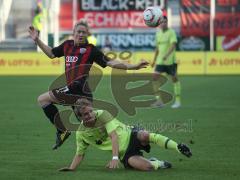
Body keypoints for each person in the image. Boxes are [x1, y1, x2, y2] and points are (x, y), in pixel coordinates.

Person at [28, 20, 149, 150]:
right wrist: (37, 40)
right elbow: (51, 53)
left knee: (44, 100)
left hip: (79, 89)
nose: (80, 34)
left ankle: (136, 135)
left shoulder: (91, 50)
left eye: (83, 32)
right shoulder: (67, 45)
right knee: (94, 127)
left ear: (87, 34)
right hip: (73, 91)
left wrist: (133, 67)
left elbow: (110, 63)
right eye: (78, 32)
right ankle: (135, 134)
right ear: (73, 33)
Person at [58, 98, 192, 171]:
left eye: (90, 111)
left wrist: (114, 158)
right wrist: (71, 168)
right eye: (86, 114)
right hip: (124, 153)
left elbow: (114, 136)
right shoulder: (81, 133)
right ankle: (157, 162)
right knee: (147, 167)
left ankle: (178, 147)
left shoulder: (103, 114)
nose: (90, 115)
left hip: (131, 134)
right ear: (80, 117)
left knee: (145, 135)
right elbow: (80, 154)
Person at [151, 16, 181, 108]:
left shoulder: (171, 32)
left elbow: (173, 45)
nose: (163, 23)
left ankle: (178, 101)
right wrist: (154, 60)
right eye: (161, 22)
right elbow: (157, 48)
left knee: (174, 79)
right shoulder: (158, 34)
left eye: (165, 22)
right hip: (160, 61)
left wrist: (167, 55)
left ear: (167, 23)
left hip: (170, 62)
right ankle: (159, 101)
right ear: (159, 24)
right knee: (154, 78)